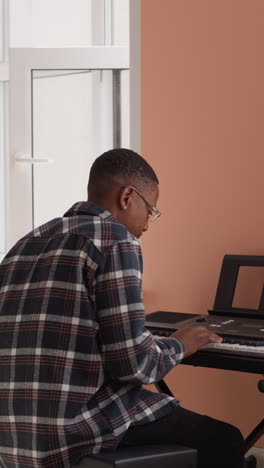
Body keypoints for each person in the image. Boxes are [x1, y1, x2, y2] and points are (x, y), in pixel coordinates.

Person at [0, 148, 244, 468]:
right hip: (74, 428)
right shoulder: (115, 238)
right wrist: (182, 344)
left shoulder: (27, 242)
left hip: (13, 433)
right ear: (128, 196)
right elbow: (134, 365)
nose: (147, 224)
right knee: (225, 439)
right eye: (151, 209)